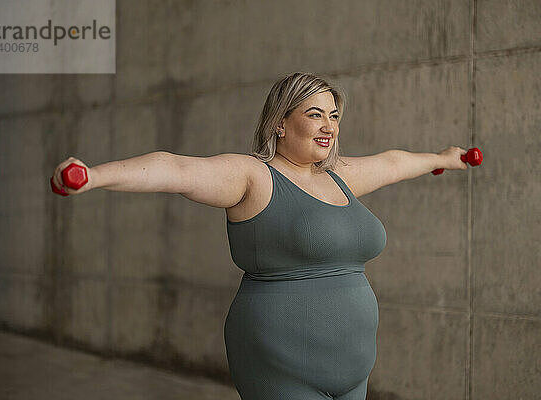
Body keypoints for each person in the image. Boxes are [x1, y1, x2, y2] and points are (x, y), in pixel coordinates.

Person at [51, 72, 468, 399]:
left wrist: (442, 159)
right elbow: (175, 169)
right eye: (315, 113)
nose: (330, 126)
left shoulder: (339, 178)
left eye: (335, 115)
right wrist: (92, 177)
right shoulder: (253, 176)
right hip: (280, 359)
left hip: (354, 364)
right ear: (281, 123)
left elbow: (394, 162)